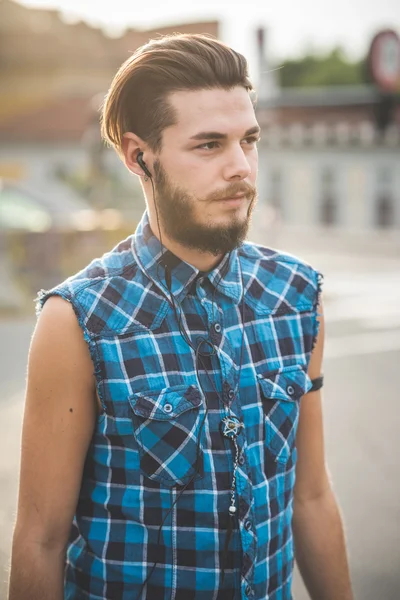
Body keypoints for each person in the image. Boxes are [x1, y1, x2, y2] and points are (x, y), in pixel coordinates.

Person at [9, 34, 353, 600]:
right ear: (138, 156)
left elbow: (310, 495)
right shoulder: (79, 320)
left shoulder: (297, 296)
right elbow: (41, 541)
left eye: (249, 140)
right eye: (208, 146)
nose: (240, 168)